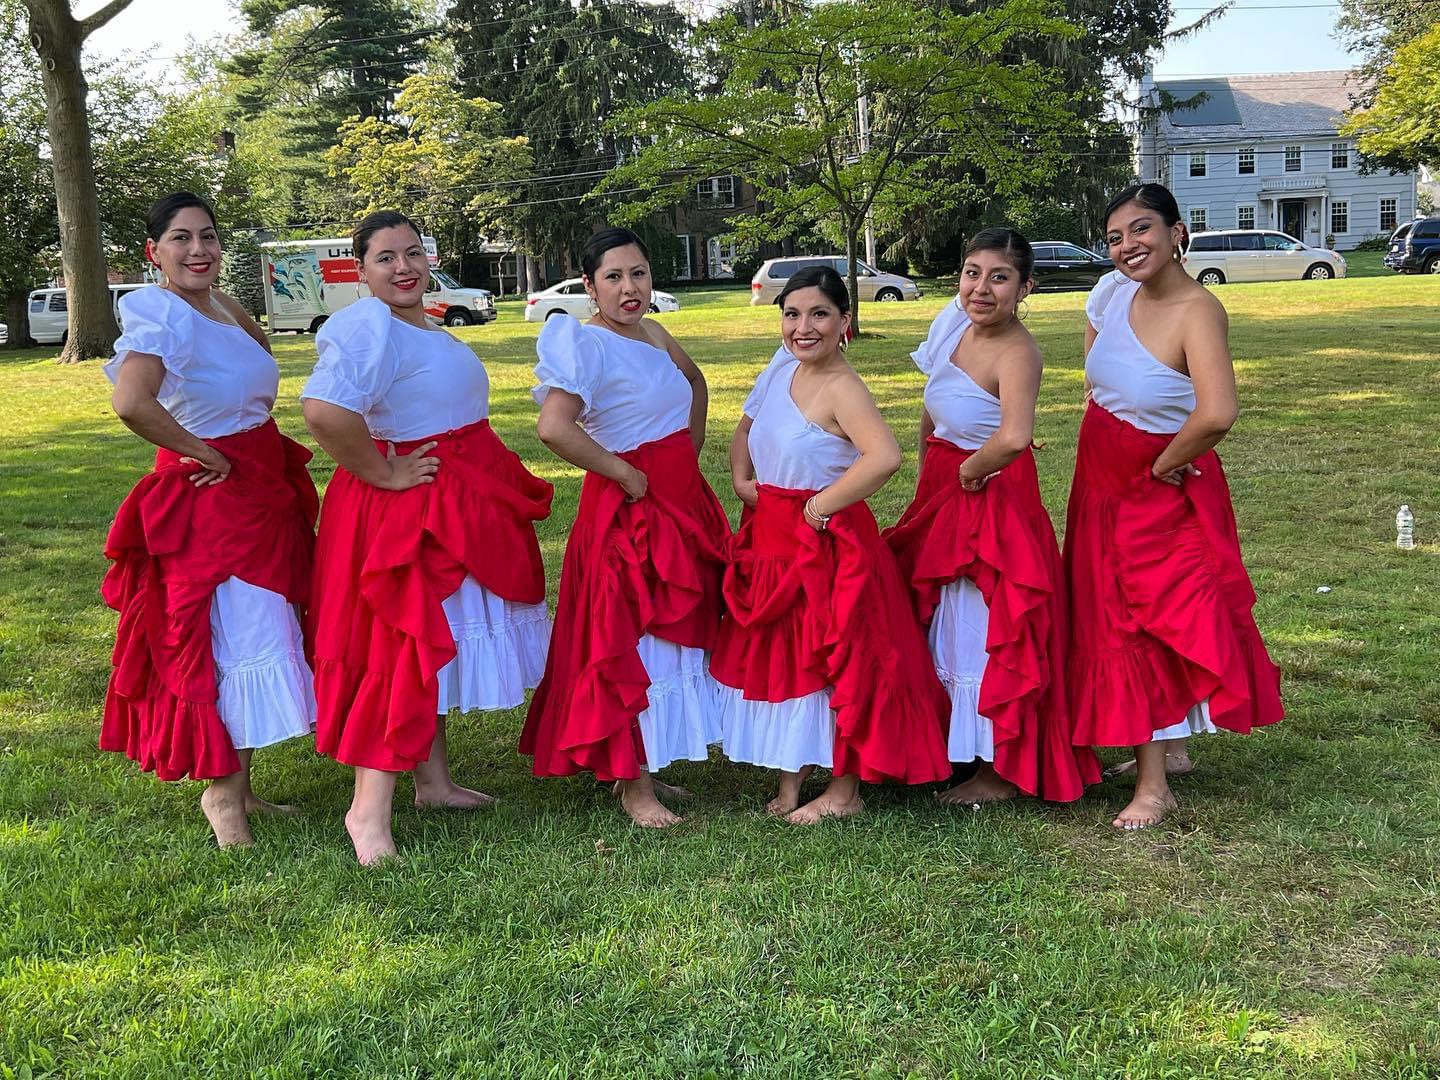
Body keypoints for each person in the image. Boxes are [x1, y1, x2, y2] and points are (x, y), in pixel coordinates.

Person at [302, 210, 553, 864]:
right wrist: (383, 471)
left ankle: (433, 783)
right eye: (385, 257)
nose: (404, 267)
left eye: (413, 253)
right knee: (400, 648)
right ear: (360, 270)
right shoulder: (368, 325)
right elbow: (324, 412)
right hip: (404, 505)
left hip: (449, 496)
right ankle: (367, 812)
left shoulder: (423, 327)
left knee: (428, 644)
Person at [101, 191, 318, 848]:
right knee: (240, 633)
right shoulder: (160, 313)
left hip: (259, 482)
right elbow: (131, 401)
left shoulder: (217, 303)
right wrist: (199, 450)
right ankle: (222, 798)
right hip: (212, 496)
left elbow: (252, 361)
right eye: (181, 239)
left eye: (208, 237)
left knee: (262, 623)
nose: (199, 250)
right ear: (153, 252)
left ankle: (244, 787)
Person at [1067, 183, 1283, 830]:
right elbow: (1097, 374)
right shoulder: (1112, 295)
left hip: (1158, 482)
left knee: (1149, 616)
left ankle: (1155, 786)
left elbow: (1218, 412)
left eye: (1141, 230)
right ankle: (1169, 746)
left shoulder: (1198, 309)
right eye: (1114, 237)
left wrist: (1161, 463)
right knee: (1112, 612)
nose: (1128, 246)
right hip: (1101, 477)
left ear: (1177, 232)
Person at [713, 266, 952, 824]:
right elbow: (748, 429)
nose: (803, 326)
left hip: (827, 541)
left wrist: (819, 508)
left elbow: (885, 456)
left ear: (845, 321)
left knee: (838, 657)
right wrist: (743, 478)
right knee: (789, 657)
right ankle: (791, 779)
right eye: (792, 314)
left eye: (819, 313)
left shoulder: (843, 386)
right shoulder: (782, 373)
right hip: (773, 537)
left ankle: (844, 792)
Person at [519, 227, 730, 828]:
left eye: (638, 273)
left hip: (678, 497)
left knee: (668, 632)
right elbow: (554, 428)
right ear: (589, 286)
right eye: (613, 277)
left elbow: (695, 382)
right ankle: (632, 785)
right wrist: (625, 474)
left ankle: (647, 763)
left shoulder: (654, 332)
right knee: (626, 635)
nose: (629, 288)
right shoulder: (585, 346)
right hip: (626, 507)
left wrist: (685, 454)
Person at [885, 229, 1099, 805]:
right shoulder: (954, 327)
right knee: (949, 615)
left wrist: (965, 473)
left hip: (991, 495)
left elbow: (1014, 437)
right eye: (971, 272)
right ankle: (958, 747)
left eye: (999, 277)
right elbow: (933, 409)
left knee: (988, 622)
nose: (981, 288)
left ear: (1025, 287)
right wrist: (932, 468)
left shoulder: (1018, 352)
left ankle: (998, 767)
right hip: (949, 487)